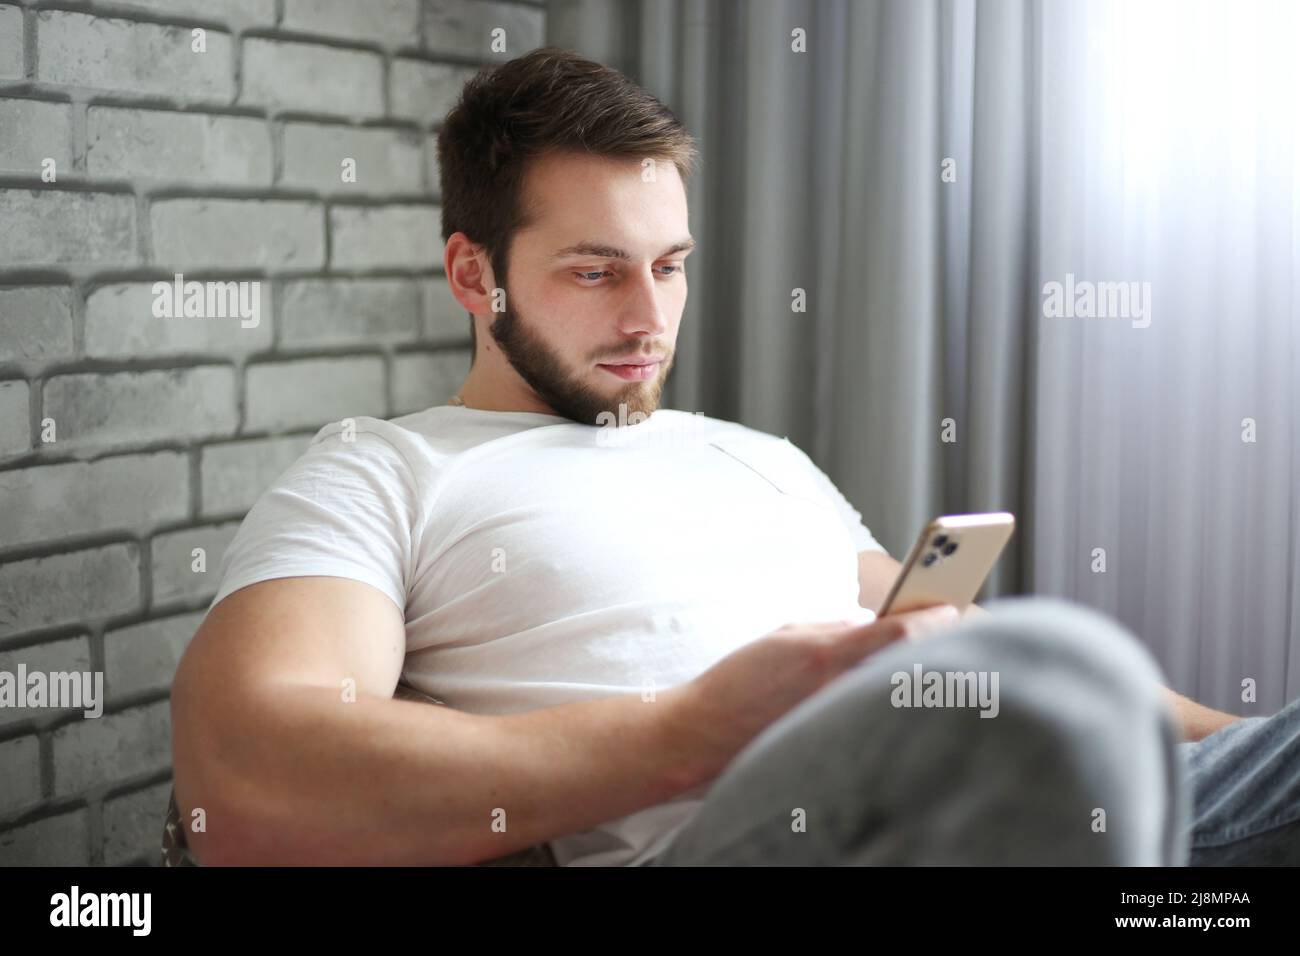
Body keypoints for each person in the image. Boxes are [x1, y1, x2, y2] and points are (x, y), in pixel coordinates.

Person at [169, 47, 1299, 867]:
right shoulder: (385, 470)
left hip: (993, 794)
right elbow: (246, 774)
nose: (647, 316)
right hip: (747, 839)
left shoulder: (757, 457)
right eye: (595, 269)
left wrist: (1241, 742)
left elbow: (1001, 662)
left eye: (671, 264)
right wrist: (694, 726)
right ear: (475, 276)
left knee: (1061, 669)